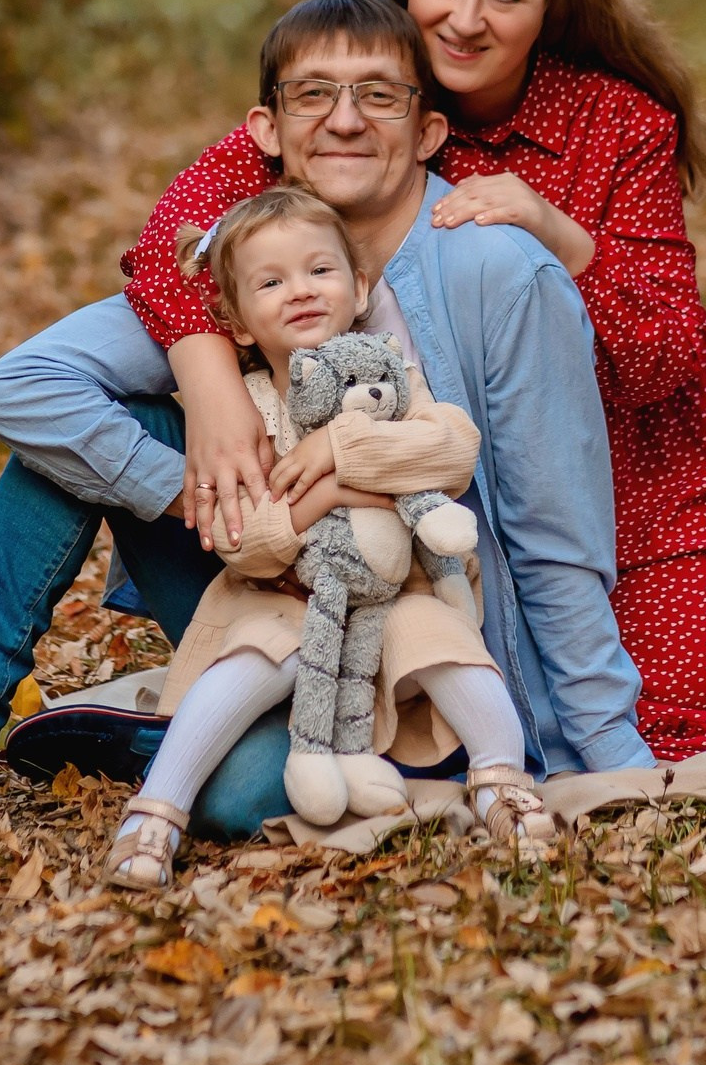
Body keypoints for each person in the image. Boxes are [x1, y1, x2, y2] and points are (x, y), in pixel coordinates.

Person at [0, 0, 653, 854]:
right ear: (266, 130)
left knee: (238, 800)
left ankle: (129, 728)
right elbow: (18, 387)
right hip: (267, 589)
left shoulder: (488, 264)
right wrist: (222, 463)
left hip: (418, 645)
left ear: (427, 128)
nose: (344, 120)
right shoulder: (237, 273)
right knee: (67, 449)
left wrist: (603, 751)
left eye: (377, 95)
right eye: (314, 95)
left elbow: (550, 523)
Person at [126, 0, 706, 762]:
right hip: (448, 464)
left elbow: (662, 356)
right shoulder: (358, 91)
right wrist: (214, 389)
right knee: (459, 671)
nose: (463, 19)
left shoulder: (616, 123)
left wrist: (555, 227)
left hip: (652, 469)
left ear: (551, 7)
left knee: (654, 710)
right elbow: (167, 240)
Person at [103, 188, 552, 890]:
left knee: (441, 638)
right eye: (271, 281)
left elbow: (452, 449)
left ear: (360, 286)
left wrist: (341, 457)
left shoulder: (394, 379)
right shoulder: (243, 410)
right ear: (237, 320)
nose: (301, 291)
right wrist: (323, 502)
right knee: (254, 656)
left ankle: (502, 777)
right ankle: (157, 811)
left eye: (320, 270)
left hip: (396, 590)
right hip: (284, 594)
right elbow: (241, 539)